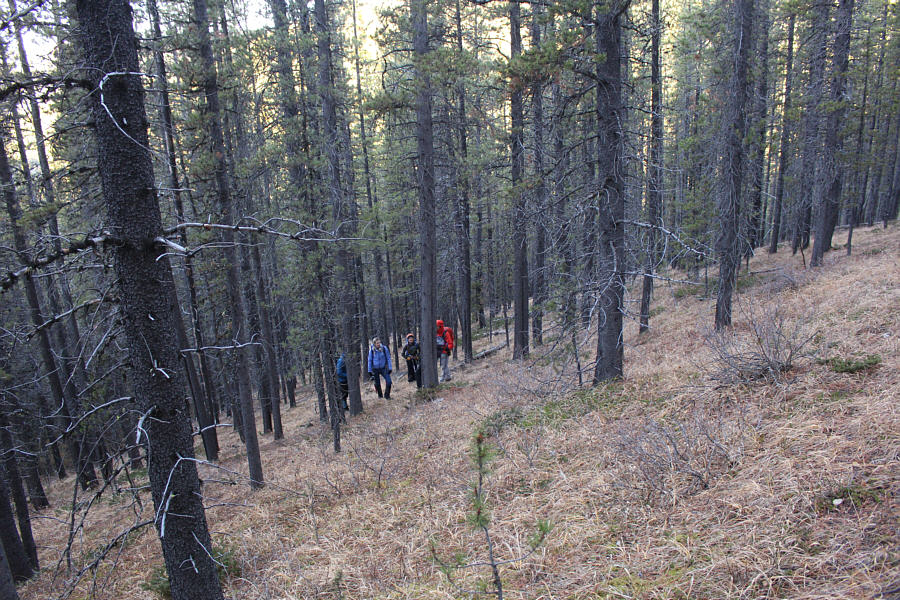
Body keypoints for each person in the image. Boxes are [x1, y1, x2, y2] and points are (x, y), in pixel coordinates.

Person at [335, 353, 349, 419]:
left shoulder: (346, 359)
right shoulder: (341, 361)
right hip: (342, 381)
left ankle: (345, 406)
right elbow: (339, 372)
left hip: (345, 380)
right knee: (343, 394)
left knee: (345, 394)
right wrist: (347, 375)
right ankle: (344, 407)